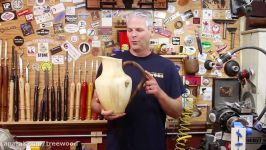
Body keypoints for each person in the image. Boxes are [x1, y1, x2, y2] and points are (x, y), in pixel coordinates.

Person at [91, 10, 185, 150]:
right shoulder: (112, 62)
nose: (133, 35)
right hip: (118, 145)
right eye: (130, 30)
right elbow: (94, 103)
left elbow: (177, 112)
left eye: (139, 30)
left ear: (150, 31)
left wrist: (159, 93)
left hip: (152, 144)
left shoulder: (167, 67)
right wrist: (103, 109)